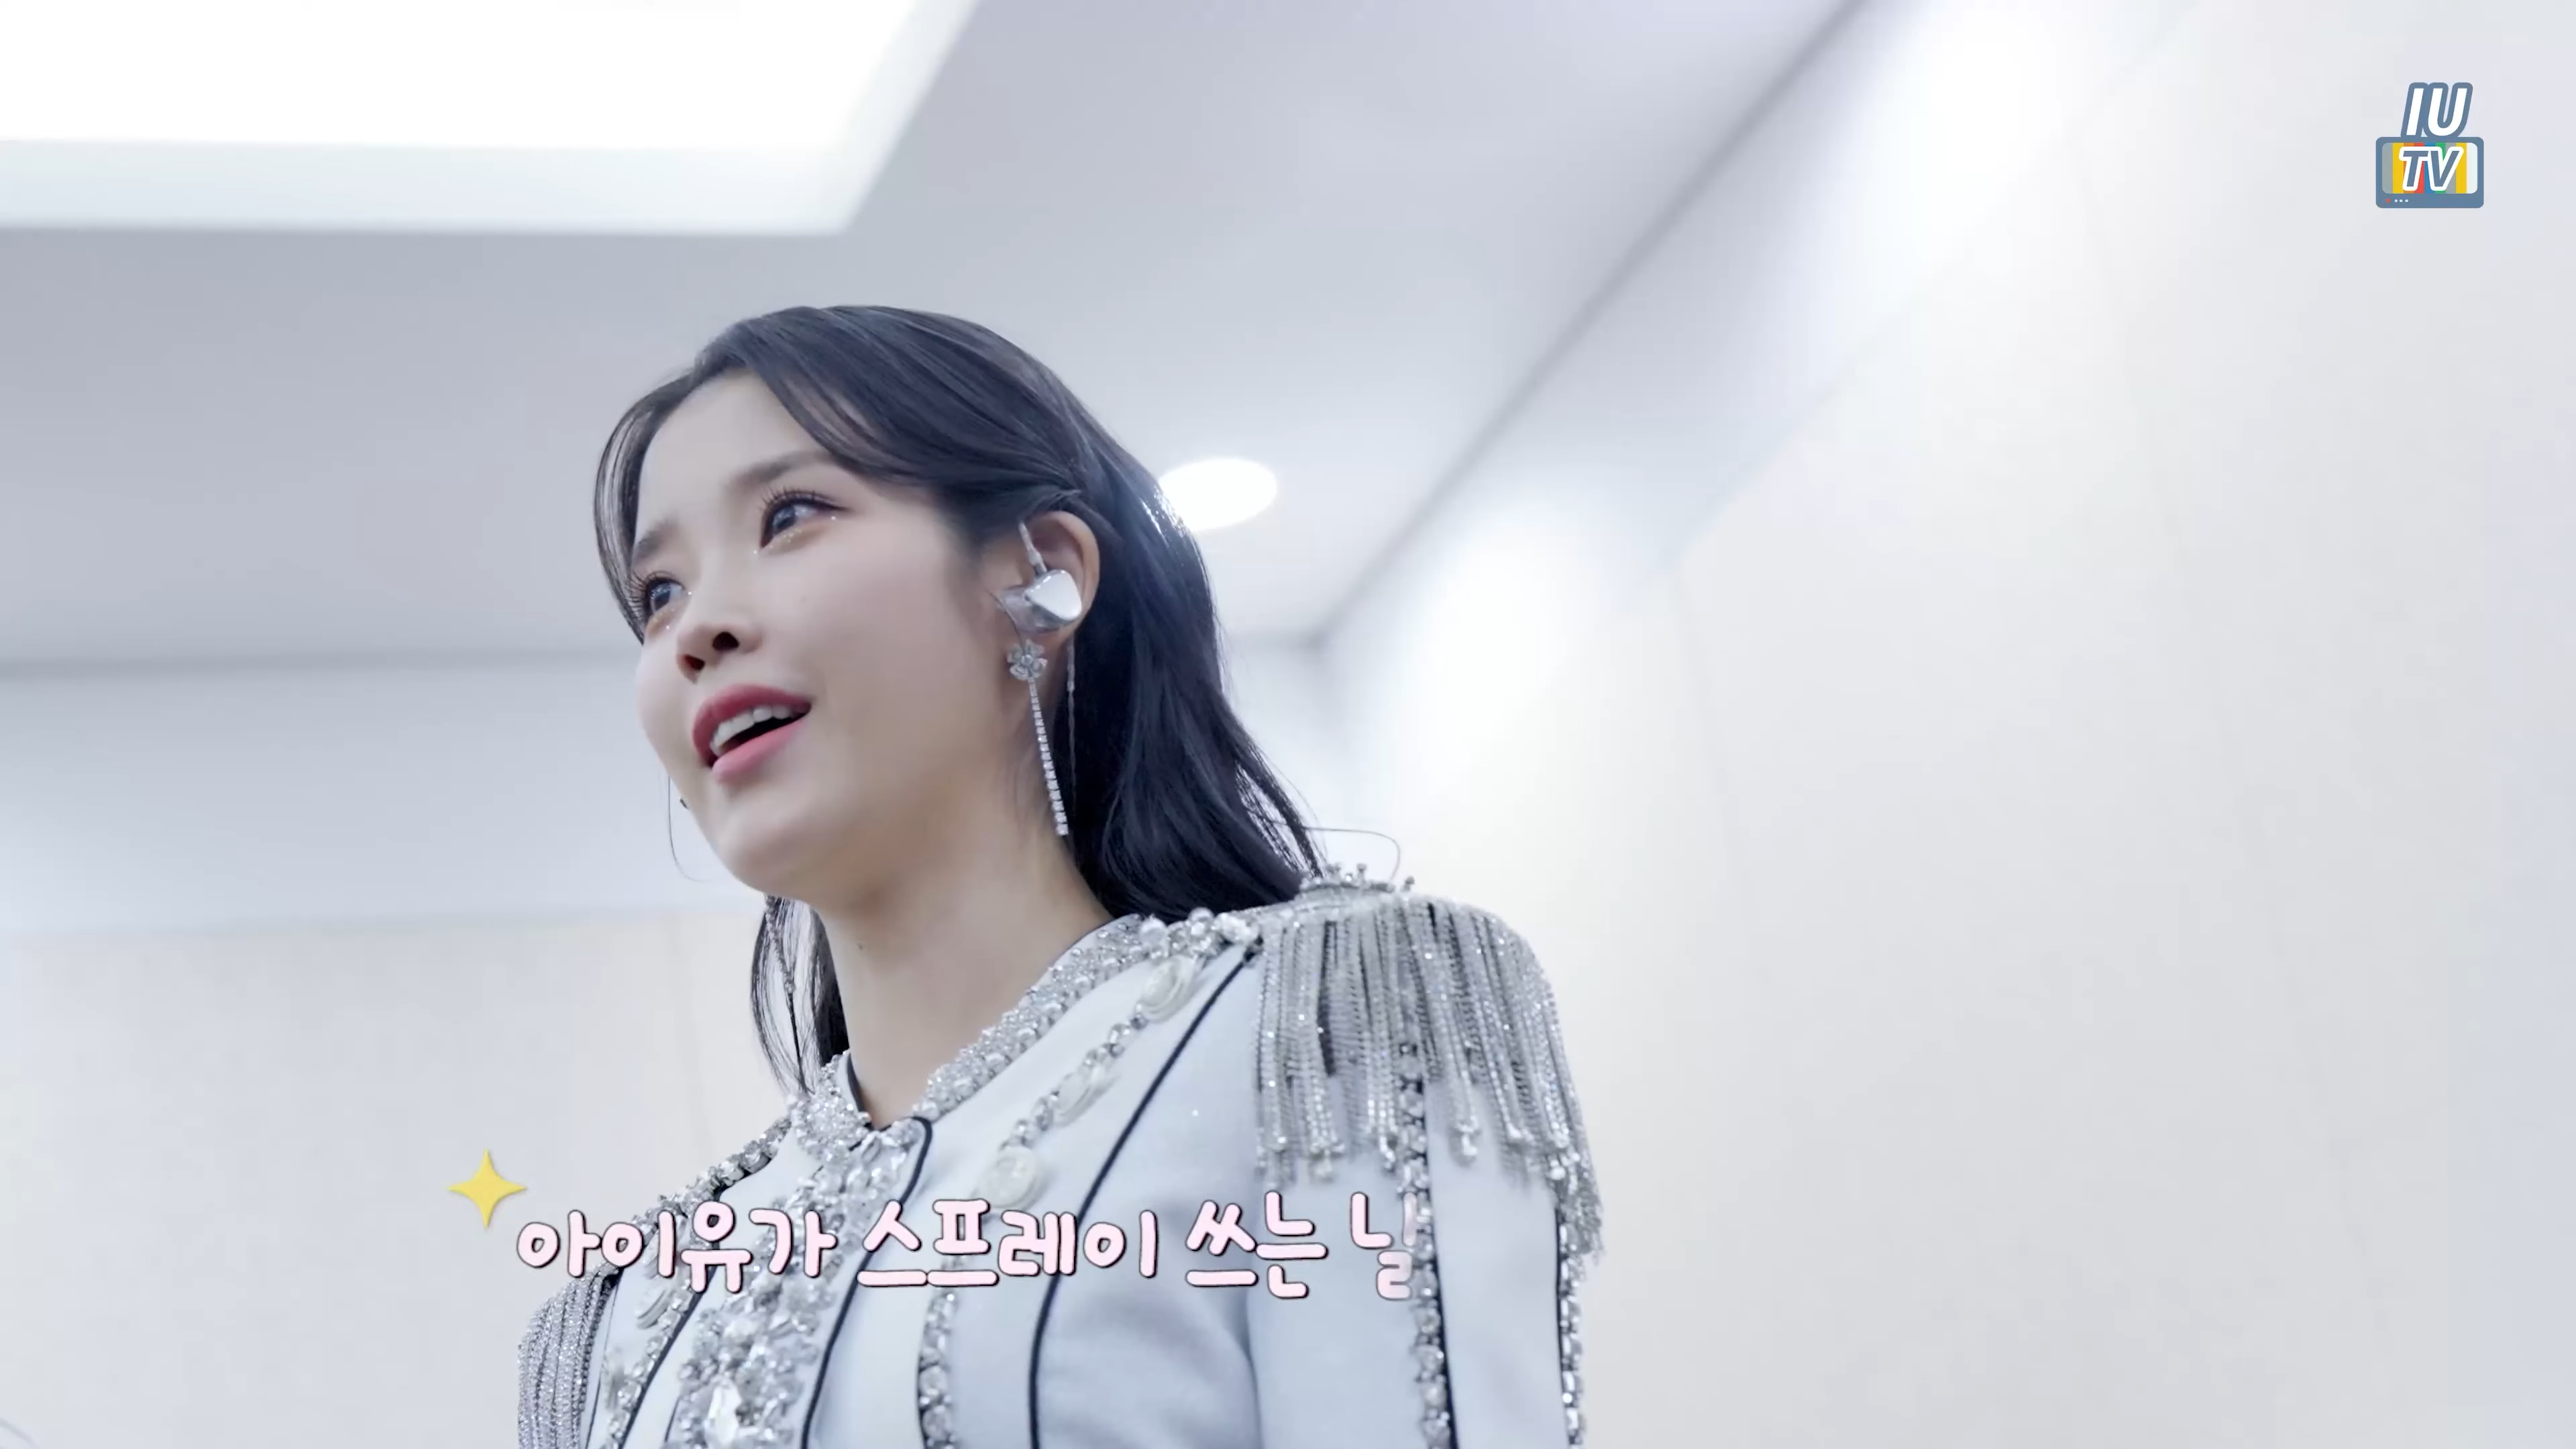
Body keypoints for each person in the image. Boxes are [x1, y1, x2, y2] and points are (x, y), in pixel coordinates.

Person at [515, 306, 1601, 1449]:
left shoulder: (1321, 1028)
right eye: (659, 594)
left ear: (1041, 580)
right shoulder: (631, 1310)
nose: (697, 631)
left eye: (791, 516)